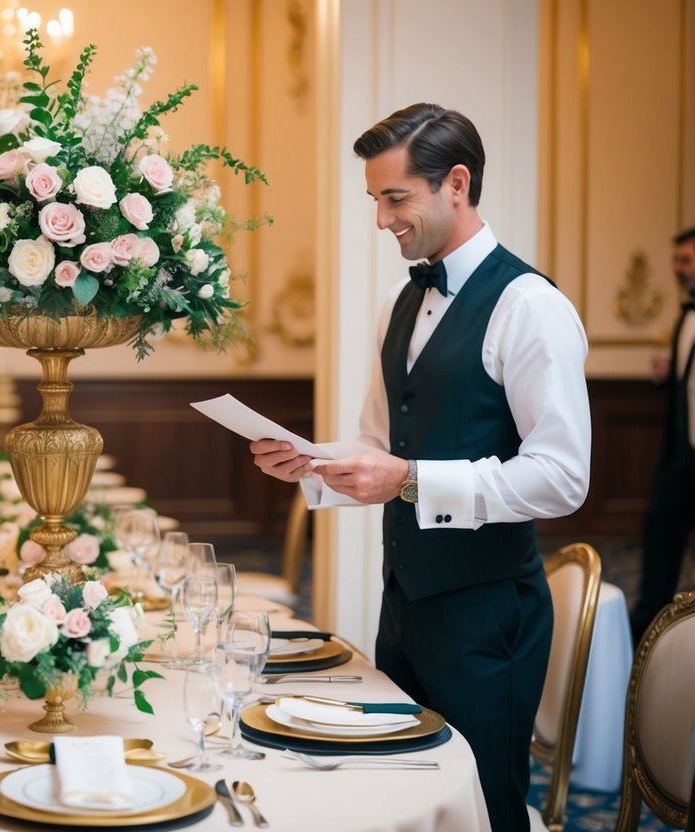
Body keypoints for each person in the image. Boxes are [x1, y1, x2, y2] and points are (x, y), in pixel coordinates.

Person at [250, 104, 590, 832]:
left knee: (483, 809)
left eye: (394, 198)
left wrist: (406, 479)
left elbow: (562, 477)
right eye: (376, 199)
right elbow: (379, 442)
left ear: (456, 184)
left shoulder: (530, 307)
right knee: (396, 794)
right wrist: (307, 462)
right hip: (403, 601)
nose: (381, 220)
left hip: (487, 614)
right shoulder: (396, 305)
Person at [630, 226, 695, 643]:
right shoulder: (685, 315)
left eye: (686, 260)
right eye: (677, 260)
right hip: (682, 451)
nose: (678, 269)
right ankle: (648, 629)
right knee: (660, 531)